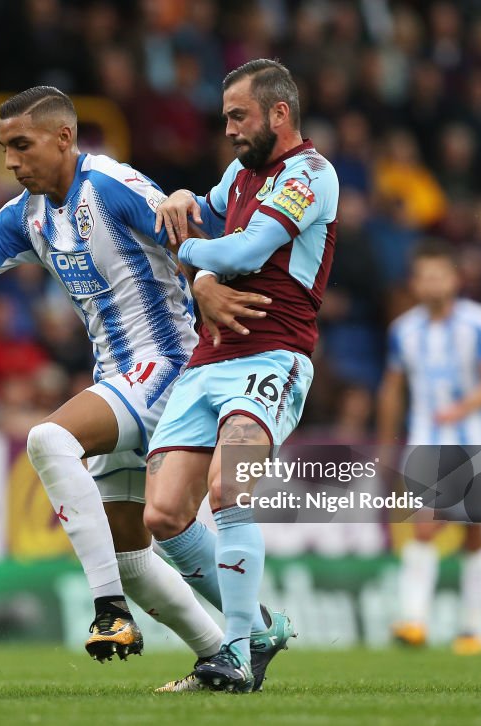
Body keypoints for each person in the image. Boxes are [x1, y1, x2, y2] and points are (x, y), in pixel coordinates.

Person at [0, 86, 233, 667]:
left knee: (48, 438)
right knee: (133, 558)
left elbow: (188, 233)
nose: (10, 161)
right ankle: (230, 648)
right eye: (4, 148)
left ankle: (109, 611)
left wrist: (206, 285)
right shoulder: (22, 217)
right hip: (118, 378)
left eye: (21, 145)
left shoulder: (111, 184)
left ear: (64, 139)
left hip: (169, 365)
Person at [144, 59, 339, 692]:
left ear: (278, 113)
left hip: (273, 357)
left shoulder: (311, 173)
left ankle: (231, 653)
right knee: (166, 515)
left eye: (238, 116)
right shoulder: (239, 174)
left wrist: (191, 261)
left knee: (229, 489)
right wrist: (179, 200)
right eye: (225, 117)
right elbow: (200, 209)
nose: (228, 129)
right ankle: (256, 624)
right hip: (209, 358)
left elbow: (245, 250)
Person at [377, 239, 481, 656]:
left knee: (473, 533)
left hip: (474, 440)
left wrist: (462, 407)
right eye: (424, 276)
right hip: (426, 442)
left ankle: (473, 627)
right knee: (424, 524)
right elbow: (393, 390)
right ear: (415, 283)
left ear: (455, 278)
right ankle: (414, 622)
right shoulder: (403, 329)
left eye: (439, 274)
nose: (432, 283)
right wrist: (385, 443)